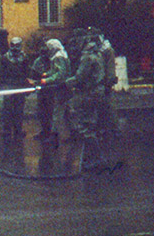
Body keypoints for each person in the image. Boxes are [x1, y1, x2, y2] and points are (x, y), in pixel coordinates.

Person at [65, 33, 106, 170]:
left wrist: (67, 83)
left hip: (89, 93)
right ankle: (92, 158)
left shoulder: (87, 57)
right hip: (96, 92)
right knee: (91, 124)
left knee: (84, 126)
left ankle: (96, 158)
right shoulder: (97, 54)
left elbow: (80, 77)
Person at [37, 38, 71, 144]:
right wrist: (47, 74)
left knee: (58, 112)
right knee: (67, 111)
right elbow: (56, 70)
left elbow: (60, 74)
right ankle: (75, 133)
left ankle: (54, 135)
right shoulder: (62, 55)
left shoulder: (58, 57)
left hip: (61, 87)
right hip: (65, 86)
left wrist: (46, 80)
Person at [0, 37, 29, 140]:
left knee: (19, 110)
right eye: (13, 45)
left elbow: (26, 73)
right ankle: (7, 130)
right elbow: (1, 73)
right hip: (8, 86)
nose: (15, 48)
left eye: (17, 46)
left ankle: (18, 130)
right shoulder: (5, 57)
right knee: (7, 110)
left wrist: (26, 86)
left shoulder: (24, 57)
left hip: (19, 86)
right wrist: (2, 87)